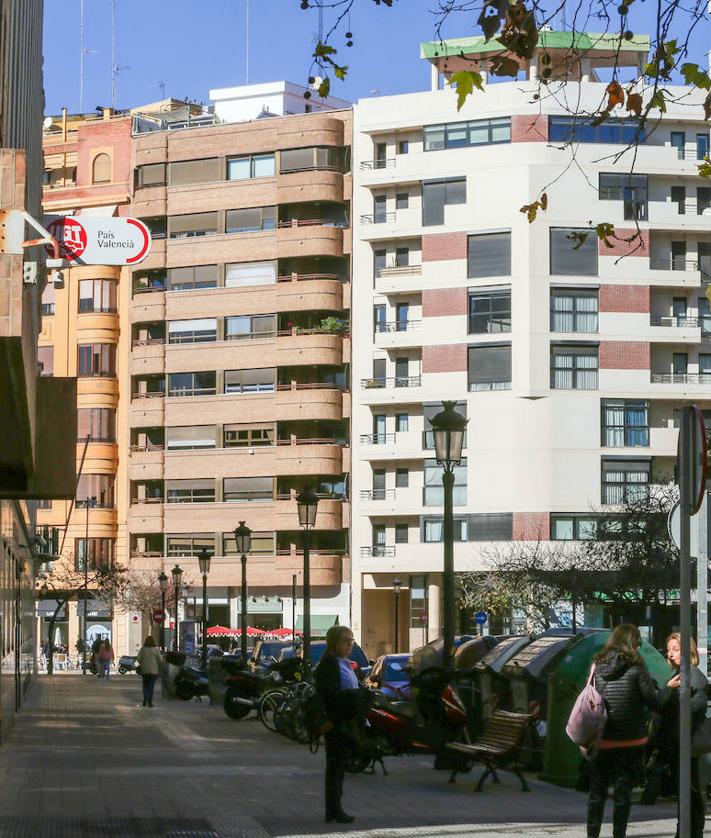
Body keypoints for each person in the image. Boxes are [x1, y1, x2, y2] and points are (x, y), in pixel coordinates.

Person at [586, 624, 661, 838]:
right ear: (633, 643)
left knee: (597, 792)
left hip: (602, 739)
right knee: (623, 794)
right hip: (631, 741)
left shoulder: (597, 666)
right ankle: (619, 834)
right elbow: (653, 702)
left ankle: (592, 835)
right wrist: (665, 689)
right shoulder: (638, 668)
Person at [655, 633, 708, 838]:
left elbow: (695, 706)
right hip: (678, 744)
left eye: (675, 649)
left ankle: (689, 833)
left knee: (692, 793)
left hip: (690, 744)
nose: (670, 654)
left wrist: (672, 698)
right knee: (685, 794)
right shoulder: (676, 676)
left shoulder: (693, 676)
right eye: (668, 649)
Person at [315, 625, 361, 824]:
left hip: (345, 720)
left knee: (340, 767)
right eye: (345, 640)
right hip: (336, 722)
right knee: (335, 766)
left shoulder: (344, 662)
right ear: (335, 642)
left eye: (351, 640)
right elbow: (329, 694)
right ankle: (333, 809)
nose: (350, 644)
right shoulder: (330, 663)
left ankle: (335, 808)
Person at [136, 635, 162, 707]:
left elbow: (138, 659)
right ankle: (150, 702)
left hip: (144, 670)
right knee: (151, 686)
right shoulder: (155, 650)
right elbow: (160, 660)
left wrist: (143, 663)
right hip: (153, 671)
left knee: (145, 686)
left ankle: (145, 700)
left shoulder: (143, 649)